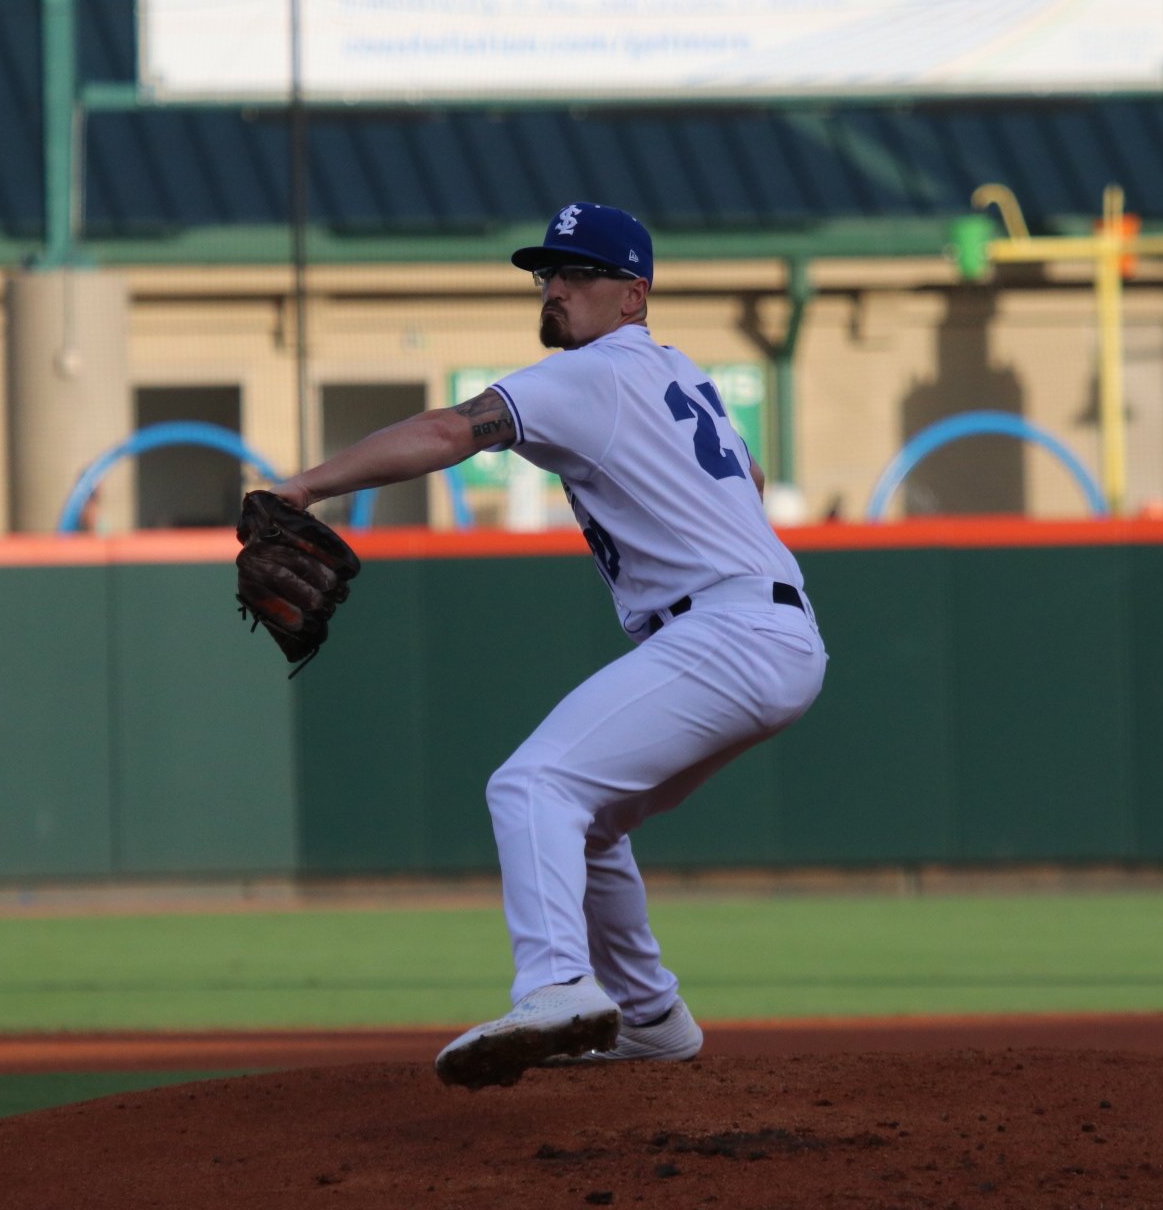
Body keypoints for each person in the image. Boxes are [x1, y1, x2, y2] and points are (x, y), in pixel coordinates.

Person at [265, 202, 828, 1089]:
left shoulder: (596, 374)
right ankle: (651, 1017)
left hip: (729, 627)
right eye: (548, 272)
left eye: (578, 273)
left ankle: (558, 984)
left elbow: (451, 430)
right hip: (771, 629)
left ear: (632, 295)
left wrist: (304, 488)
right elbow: (747, 477)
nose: (555, 287)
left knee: (533, 783)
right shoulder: (680, 374)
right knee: (593, 821)